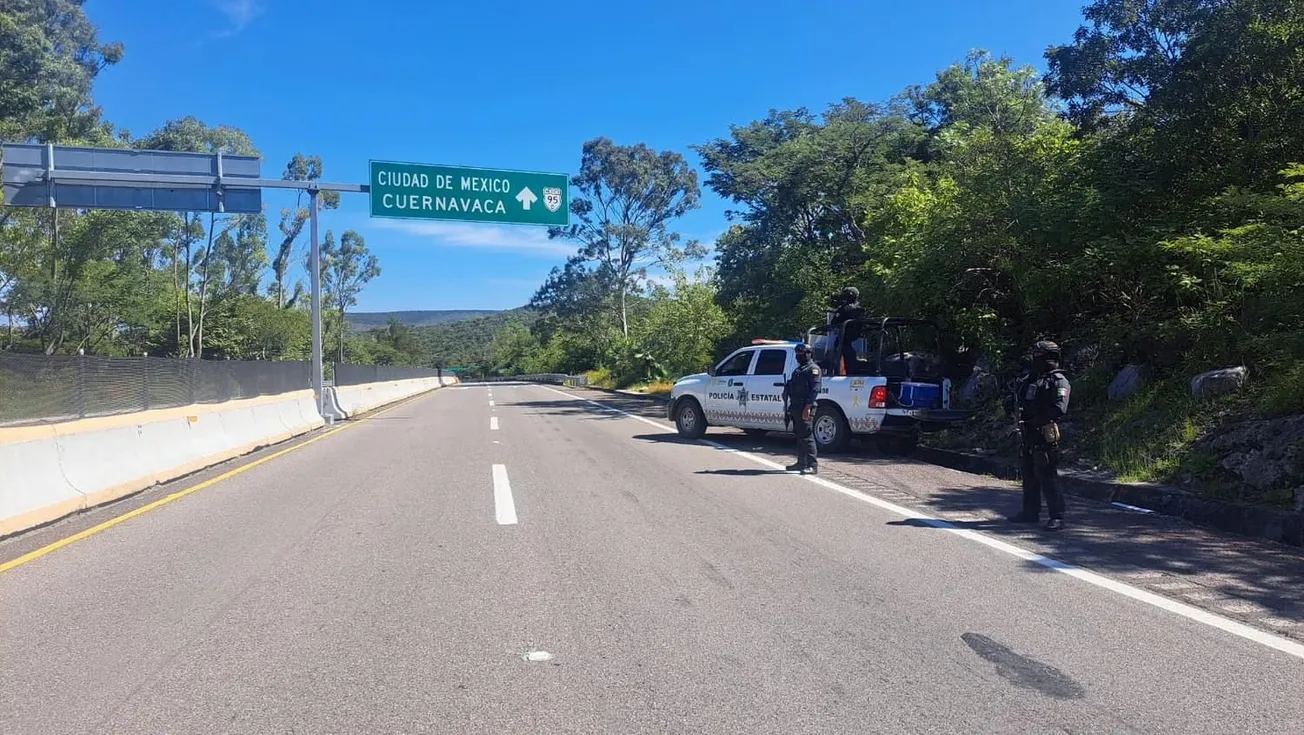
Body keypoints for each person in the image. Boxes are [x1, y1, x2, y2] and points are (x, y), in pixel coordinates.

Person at [1007, 340, 1071, 531]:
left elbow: (1060, 408)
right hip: (1027, 432)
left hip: (1044, 433)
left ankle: (1057, 516)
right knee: (1028, 474)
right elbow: (1017, 398)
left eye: (1039, 356)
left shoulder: (1058, 380)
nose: (1035, 360)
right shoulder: (1030, 379)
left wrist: (1037, 420)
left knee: (1047, 475)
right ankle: (1030, 512)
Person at [785, 342, 822, 474]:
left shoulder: (813, 369)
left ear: (808, 354)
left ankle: (812, 465)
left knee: (807, 436)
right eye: (797, 354)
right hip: (795, 405)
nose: (798, 356)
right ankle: (801, 462)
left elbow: (815, 389)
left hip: (806, 406)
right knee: (799, 435)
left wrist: (808, 407)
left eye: (801, 354)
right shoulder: (798, 370)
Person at [830, 287, 865, 375]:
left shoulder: (844, 309)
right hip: (853, 338)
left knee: (841, 351)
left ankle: (839, 372)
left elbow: (834, 322)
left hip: (845, 338)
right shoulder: (860, 309)